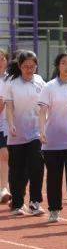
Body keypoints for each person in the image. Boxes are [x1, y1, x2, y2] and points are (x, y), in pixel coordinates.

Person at [37, 51, 67, 223]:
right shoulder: (49, 87)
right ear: (58, 65)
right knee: (54, 177)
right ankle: (54, 209)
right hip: (52, 140)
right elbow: (42, 111)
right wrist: (41, 130)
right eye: (63, 63)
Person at [5, 51, 46, 215]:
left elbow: (44, 106)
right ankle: (17, 203)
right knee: (17, 170)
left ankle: (35, 201)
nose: (29, 69)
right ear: (20, 67)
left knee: (37, 166)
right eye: (26, 66)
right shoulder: (12, 83)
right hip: (17, 134)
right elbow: (9, 107)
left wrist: (45, 127)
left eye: (32, 66)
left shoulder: (40, 81)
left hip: (36, 132)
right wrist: (11, 124)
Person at [0, 49, 9, 205]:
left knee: (4, 155)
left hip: (6, 124)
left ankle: (4, 188)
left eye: (2, 58)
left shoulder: (11, 79)